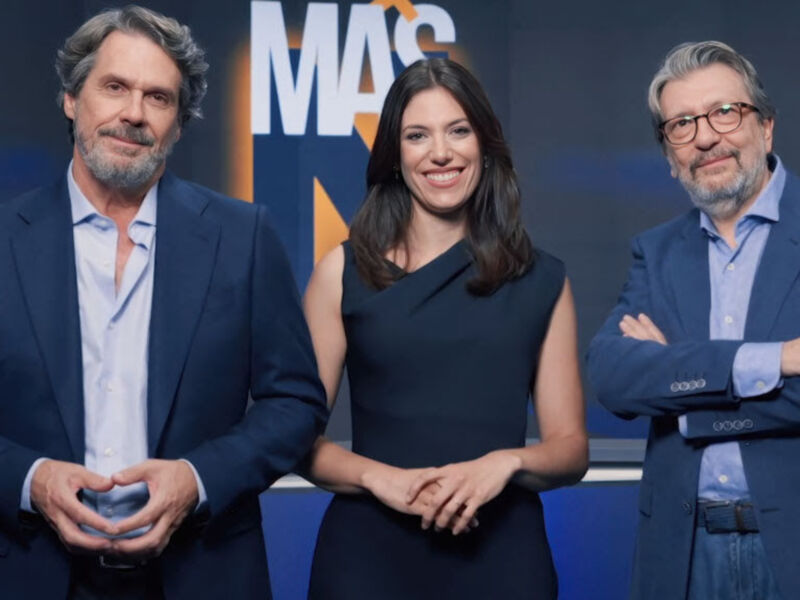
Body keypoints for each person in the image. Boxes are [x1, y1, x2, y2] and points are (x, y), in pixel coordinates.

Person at [0, 6, 327, 599]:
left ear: (178, 124)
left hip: (203, 573)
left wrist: (198, 479)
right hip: (31, 573)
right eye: (114, 87)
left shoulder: (243, 236)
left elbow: (296, 403)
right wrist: (31, 480)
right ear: (71, 100)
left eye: (158, 98)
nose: (134, 113)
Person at [301, 58, 588, 600]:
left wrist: (506, 464)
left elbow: (571, 449)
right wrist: (380, 478)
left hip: (503, 561)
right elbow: (295, 438)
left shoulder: (542, 279)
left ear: (485, 143)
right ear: (394, 155)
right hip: (367, 561)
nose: (440, 153)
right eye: (417, 135)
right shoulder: (341, 273)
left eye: (458, 131)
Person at [587, 41, 800, 599]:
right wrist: (774, 361)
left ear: (766, 127)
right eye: (682, 124)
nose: (705, 137)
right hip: (683, 556)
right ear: (669, 155)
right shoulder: (656, 253)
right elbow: (613, 377)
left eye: (724, 112)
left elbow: (654, 380)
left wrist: (682, 395)